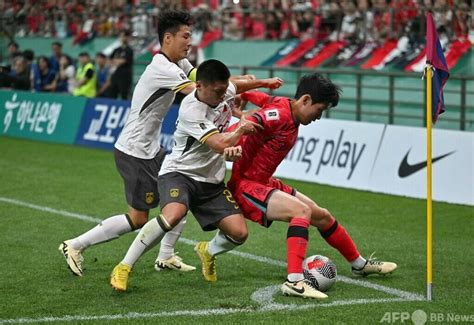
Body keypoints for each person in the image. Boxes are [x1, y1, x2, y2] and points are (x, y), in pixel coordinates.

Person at [214, 73, 396, 299]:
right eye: (319, 110)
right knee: (301, 212)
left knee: (322, 216)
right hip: (246, 186)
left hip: (264, 182)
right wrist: (240, 125)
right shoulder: (279, 115)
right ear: (306, 100)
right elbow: (257, 120)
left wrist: (243, 95)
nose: (319, 117)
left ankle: (359, 265)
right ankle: (294, 281)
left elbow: (260, 97)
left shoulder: (285, 105)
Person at [109, 59, 283, 292]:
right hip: (179, 173)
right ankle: (124, 266)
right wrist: (241, 127)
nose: (223, 97)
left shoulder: (222, 90)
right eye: (218, 91)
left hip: (211, 180)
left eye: (224, 91)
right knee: (172, 216)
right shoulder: (192, 109)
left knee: (239, 233)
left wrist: (264, 82)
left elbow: (236, 85)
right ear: (199, 86)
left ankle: (207, 251)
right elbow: (220, 143)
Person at [59, 10, 197, 277]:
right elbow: (202, 92)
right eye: (186, 36)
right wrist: (245, 87)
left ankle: (166, 255)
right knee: (138, 218)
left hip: (150, 150)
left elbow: (204, 78)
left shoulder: (178, 64)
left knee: (181, 195)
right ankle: (75, 245)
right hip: (135, 153)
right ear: (168, 38)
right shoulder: (162, 68)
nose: (190, 42)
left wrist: (232, 89)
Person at [108, 30, 134, 99]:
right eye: (121, 36)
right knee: (112, 95)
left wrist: (116, 61)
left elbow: (124, 61)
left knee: (124, 95)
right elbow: (109, 60)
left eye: (124, 36)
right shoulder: (116, 50)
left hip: (125, 77)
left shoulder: (129, 50)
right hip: (115, 75)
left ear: (127, 37)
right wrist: (116, 61)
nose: (122, 38)